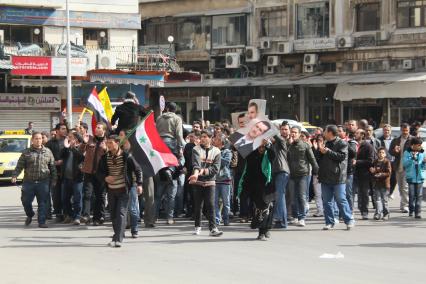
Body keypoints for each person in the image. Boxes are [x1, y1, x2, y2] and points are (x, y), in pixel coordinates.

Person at [98, 135, 143, 248]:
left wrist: (139, 184)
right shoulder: (104, 157)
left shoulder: (127, 156)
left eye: (111, 143)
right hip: (111, 190)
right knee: (113, 214)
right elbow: (98, 172)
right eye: (107, 143)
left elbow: (138, 170)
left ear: (117, 143)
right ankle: (117, 235)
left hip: (124, 189)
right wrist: (105, 178)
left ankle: (118, 239)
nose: (108, 145)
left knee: (121, 213)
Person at [12, 132, 57, 228]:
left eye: (40, 138)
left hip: (43, 181)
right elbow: (19, 166)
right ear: (32, 140)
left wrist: (54, 179)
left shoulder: (48, 152)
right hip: (29, 182)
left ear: (42, 140)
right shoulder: (26, 152)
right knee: (25, 201)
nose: (38, 140)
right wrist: (15, 175)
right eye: (36, 138)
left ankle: (42, 222)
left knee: (43, 202)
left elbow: (52, 167)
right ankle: (30, 214)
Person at [316, 125, 354, 230]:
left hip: (338, 177)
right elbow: (318, 158)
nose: (323, 134)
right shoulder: (326, 143)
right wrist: (319, 150)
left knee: (341, 199)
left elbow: (341, 157)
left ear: (330, 133)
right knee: (326, 201)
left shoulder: (342, 143)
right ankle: (329, 222)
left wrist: (327, 151)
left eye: (325, 132)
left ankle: (349, 220)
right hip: (325, 176)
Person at [188, 130, 223, 237]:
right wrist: (196, 173)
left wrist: (202, 172)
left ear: (210, 138)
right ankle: (197, 227)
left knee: (211, 205)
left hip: (210, 182)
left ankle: (213, 228)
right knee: (198, 205)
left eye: (205, 136)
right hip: (197, 181)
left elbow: (216, 168)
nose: (202, 138)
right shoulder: (196, 149)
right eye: (201, 136)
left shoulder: (217, 151)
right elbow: (196, 164)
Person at [238, 142, 276, 240]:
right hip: (253, 185)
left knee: (266, 207)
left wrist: (267, 145)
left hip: (266, 185)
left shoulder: (268, 154)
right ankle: (263, 229)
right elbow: (244, 155)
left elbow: (273, 156)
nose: (261, 148)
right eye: (259, 146)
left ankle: (263, 231)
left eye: (263, 147)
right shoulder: (251, 154)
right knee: (259, 208)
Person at [288, 126, 319, 227]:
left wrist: (317, 171)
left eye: (295, 132)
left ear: (299, 134)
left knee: (302, 197)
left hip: (303, 174)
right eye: (292, 132)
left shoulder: (305, 145)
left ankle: (302, 218)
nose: (293, 134)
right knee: (292, 197)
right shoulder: (289, 145)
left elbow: (312, 159)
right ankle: (295, 216)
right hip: (291, 174)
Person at [80, 123, 107, 225]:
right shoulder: (90, 139)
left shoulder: (107, 141)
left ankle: (98, 217)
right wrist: (84, 142)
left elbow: (112, 154)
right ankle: (86, 215)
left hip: (101, 173)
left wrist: (106, 149)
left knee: (100, 196)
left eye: (99, 127)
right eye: (96, 127)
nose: (96, 129)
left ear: (103, 130)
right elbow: (80, 151)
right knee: (87, 194)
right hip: (89, 171)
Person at [61, 132, 85, 225]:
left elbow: (81, 157)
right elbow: (61, 155)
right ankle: (69, 215)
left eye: (70, 137)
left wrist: (73, 148)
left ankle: (77, 216)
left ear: (76, 139)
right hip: (66, 178)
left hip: (77, 178)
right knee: (65, 199)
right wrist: (66, 147)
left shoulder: (81, 148)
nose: (68, 139)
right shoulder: (67, 149)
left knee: (77, 198)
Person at [46, 122, 68, 222]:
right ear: (57, 130)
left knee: (67, 194)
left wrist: (64, 161)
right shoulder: (50, 143)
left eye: (65, 129)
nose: (65, 130)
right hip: (54, 173)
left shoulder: (68, 141)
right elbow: (45, 157)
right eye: (63, 129)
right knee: (56, 195)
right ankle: (58, 213)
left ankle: (67, 213)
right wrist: (54, 162)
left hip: (67, 172)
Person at [389, 123, 412, 213]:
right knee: (400, 187)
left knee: (405, 187)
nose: (405, 132)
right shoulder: (396, 140)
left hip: (408, 167)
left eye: (406, 130)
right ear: (401, 130)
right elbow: (391, 152)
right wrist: (395, 151)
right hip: (398, 166)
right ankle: (403, 203)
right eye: (403, 130)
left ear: (409, 130)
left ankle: (405, 205)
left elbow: (418, 150)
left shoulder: (412, 139)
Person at [272, 121, 291, 228]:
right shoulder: (277, 142)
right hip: (277, 170)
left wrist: (266, 125)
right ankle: (280, 220)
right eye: (282, 129)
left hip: (282, 170)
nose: (284, 131)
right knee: (279, 196)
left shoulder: (283, 140)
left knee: (280, 196)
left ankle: (282, 221)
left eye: (285, 129)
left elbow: (276, 136)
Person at [354, 129, 374, 220]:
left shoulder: (368, 146)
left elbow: (370, 160)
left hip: (364, 173)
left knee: (364, 192)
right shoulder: (352, 144)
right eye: (355, 133)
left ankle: (365, 211)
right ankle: (357, 209)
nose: (355, 134)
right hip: (353, 172)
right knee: (354, 193)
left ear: (362, 135)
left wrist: (357, 162)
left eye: (357, 133)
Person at [403, 137, 425, 219]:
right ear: (413, 145)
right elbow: (405, 164)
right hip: (411, 177)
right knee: (411, 195)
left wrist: (424, 163)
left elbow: (424, 167)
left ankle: (417, 212)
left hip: (420, 177)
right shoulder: (407, 152)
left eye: (420, 145)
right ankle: (411, 209)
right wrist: (412, 158)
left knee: (419, 195)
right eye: (418, 145)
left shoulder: (423, 153)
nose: (420, 146)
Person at [213, 134, 232, 226]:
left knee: (226, 201)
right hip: (214, 180)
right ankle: (216, 219)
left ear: (221, 142)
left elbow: (225, 162)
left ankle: (226, 219)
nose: (214, 141)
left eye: (216, 139)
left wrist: (217, 154)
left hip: (225, 180)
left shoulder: (227, 151)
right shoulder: (212, 151)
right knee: (214, 201)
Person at [369, 147, 391, 221]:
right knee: (377, 200)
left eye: (383, 152)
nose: (381, 154)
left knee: (384, 200)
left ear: (385, 154)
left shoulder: (387, 162)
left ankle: (386, 214)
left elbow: (388, 172)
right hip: (376, 183)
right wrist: (372, 171)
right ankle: (378, 213)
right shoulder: (375, 161)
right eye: (380, 152)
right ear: (377, 153)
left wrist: (381, 174)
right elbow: (372, 170)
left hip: (384, 184)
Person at [379, 124, 396, 199]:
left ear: (390, 131)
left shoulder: (394, 139)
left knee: (394, 178)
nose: (386, 131)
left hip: (393, 161)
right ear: (383, 131)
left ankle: (391, 192)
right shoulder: (379, 139)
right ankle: (384, 193)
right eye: (385, 130)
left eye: (388, 130)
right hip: (384, 161)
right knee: (384, 177)